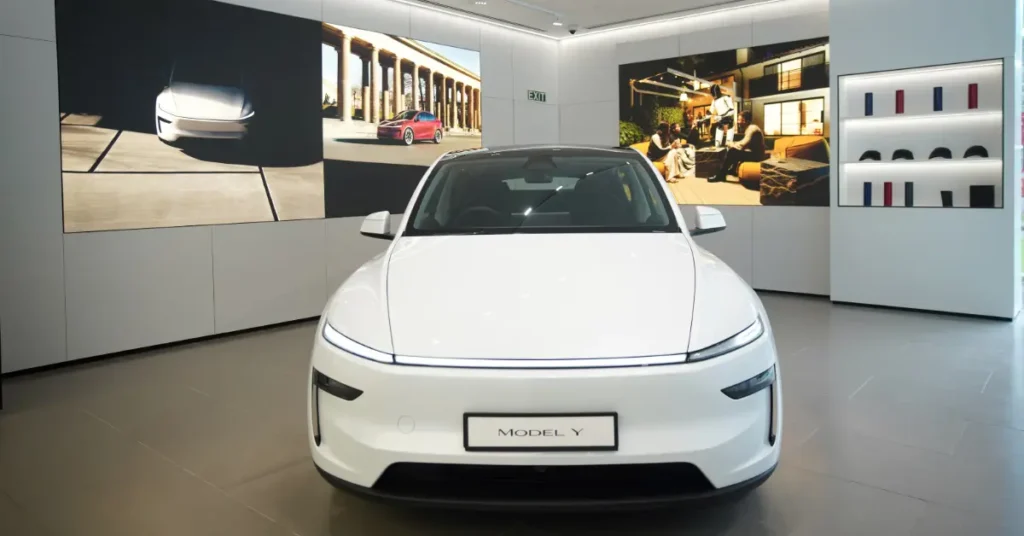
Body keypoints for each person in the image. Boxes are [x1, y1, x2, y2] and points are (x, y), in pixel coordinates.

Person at [708, 111, 765, 183]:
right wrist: (733, 144)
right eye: (738, 120)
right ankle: (732, 170)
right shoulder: (749, 128)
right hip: (755, 154)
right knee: (735, 150)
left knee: (732, 151)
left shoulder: (752, 129)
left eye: (740, 120)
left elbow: (742, 145)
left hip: (757, 156)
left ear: (747, 121)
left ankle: (721, 175)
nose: (738, 122)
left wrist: (731, 144)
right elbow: (744, 145)